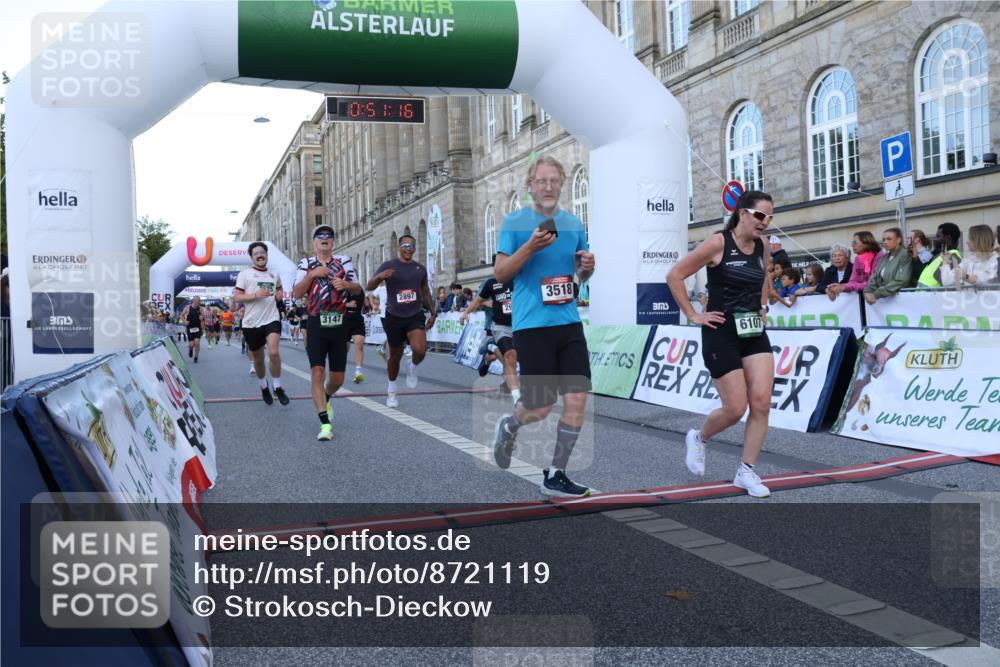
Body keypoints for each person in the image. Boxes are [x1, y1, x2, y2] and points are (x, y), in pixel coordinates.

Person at [491, 156, 595, 498]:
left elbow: (580, 273)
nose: (548, 187)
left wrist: (587, 267)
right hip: (532, 325)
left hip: (567, 322)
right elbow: (501, 274)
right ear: (530, 185)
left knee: (578, 397)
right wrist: (530, 247)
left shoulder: (573, 223)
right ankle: (510, 425)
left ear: (562, 184)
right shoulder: (515, 223)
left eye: (554, 181)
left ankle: (557, 474)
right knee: (540, 406)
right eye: (541, 181)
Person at [666, 189, 776, 499]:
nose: (765, 222)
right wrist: (692, 315)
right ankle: (699, 438)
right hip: (720, 330)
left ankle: (746, 471)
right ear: (743, 213)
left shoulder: (763, 245)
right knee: (735, 408)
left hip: (753, 330)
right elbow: (675, 275)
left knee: (762, 403)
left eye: (769, 217)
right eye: (759, 216)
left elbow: (764, 277)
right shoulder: (718, 243)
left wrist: (763, 306)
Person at [293, 225, 363, 440]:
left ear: (333, 241)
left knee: (338, 379)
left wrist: (345, 284)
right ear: (314, 242)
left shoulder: (343, 261)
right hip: (316, 323)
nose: (325, 238)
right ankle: (325, 424)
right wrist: (313, 274)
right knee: (317, 372)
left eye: (329, 236)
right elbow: (296, 292)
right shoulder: (305, 264)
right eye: (320, 236)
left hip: (339, 323)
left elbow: (358, 288)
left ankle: (326, 396)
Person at [367, 235, 436, 407]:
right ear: (399, 247)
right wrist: (381, 276)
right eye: (405, 245)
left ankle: (412, 366)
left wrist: (434, 312)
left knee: (420, 350)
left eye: (412, 246)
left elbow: (425, 291)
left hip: (415, 314)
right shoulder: (389, 266)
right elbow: (369, 287)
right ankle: (391, 390)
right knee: (394, 358)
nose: (408, 249)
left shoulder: (420, 269)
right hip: (394, 316)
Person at [233, 242, 290, 406]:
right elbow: (237, 298)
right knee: (258, 360)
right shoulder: (245, 274)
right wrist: (256, 295)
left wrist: (279, 294)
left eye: (262, 252)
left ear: (266, 255)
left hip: (271, 319)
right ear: (252, 257)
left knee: (273, 353)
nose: (260, 255)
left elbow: (279, 288)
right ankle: (263, 386)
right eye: (256, 253)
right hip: (251, 323)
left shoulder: (274, 274)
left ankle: (278, 386)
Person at [461, 256, 521, 406]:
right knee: (510, 356)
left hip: (520, 326)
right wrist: (466, 312)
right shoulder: (490, 283)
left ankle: (490, 350)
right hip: (500, 327)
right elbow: (478, 300)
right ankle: (516, 396)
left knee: (512, 357)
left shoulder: (519, 279)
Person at [826, 232, 881, 300]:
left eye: (855, 243)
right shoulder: (858, 259)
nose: (853, 245)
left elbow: (873, 283)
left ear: (866, 243)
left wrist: (844, 287)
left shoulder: (879, 256)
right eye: (852, 243)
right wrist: (839, 286)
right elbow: (853, 281)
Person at [864, 227, 912, 303]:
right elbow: (874, 277)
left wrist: (876, 294)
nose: (885, 242)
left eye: (889, 239)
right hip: (884, 301)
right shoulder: (883, 258)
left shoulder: (906, 256)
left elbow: (901, 281)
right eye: (883, 240)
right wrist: (868, 291)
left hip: (901, 301)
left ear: (898, 240)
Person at [917, 223, 962, 287]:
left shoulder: (952, 256)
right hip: (925, 295)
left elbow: (949, 284)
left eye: (938, 236)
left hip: (931, 296)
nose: (935, 240)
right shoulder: (942, 255)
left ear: (948, 238)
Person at [344, 289, 367, 383]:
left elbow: (366, 302)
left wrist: (368, 307)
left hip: (357, 320)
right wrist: (347, 304)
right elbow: (331, 303)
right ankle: (339, 371)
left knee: (359, 343)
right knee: (344, 348)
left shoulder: (359, 290)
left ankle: (358, 372)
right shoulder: (341, 289)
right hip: (343, 320)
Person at [180, 297, 205, 363]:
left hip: (197, 328)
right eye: (197, 301)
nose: (198, 303)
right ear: (193, 301)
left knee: (197, 343)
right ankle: (190, 349)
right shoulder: (187, 307)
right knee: (191, 344)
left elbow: (203, 318)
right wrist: (184, 321)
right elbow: (181, 315)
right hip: (190, 328)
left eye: (199, 301)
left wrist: (202, 319)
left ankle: (196, 356)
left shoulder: (201, 309)